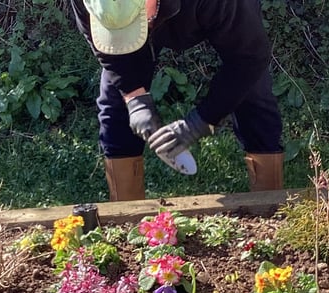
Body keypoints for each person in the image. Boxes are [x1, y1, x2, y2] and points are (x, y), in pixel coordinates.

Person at [70, 0, 284, 201]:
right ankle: (125, 216)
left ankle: (269, 204)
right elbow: (105, 51)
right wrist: (134, 98)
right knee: (116, 105)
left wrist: (199, 122)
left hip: (205, 9)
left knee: (253, 94)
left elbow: (249, 57)